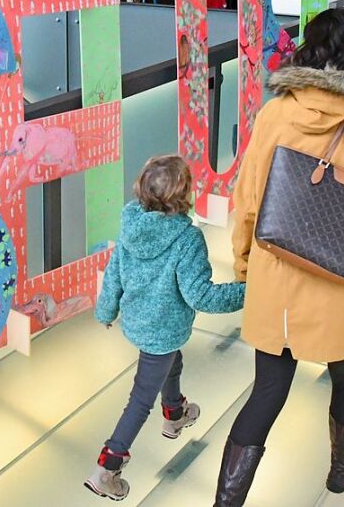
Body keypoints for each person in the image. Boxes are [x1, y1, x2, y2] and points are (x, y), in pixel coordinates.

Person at [214, 9, 344, 506]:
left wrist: (245, 267)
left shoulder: (276, 112)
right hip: (343, 283)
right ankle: (343, 470)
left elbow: (248, 200)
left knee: (267, 390)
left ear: (309, 51)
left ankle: (225, 502)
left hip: (277, 276)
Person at [86, 155, 246, 501]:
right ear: (184, 195)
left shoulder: (131, 227)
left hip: (139, 322)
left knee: (173, 363)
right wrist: (250, 293)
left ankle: (174, 413)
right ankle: (107, 467)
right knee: (141, 398)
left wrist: (105, 311)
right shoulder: (187, 239)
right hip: (163, 330)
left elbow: (113, 274)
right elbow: (201, 296)